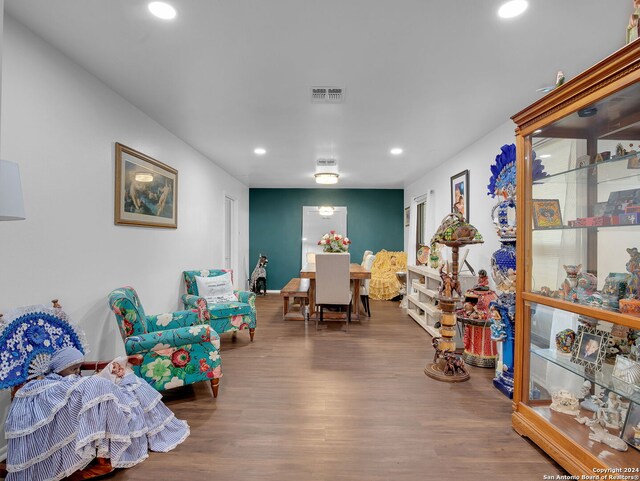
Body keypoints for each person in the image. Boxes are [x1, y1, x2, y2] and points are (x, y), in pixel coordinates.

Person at [5, 346, 189, 481]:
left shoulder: (73, 379)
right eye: (73, 369)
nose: (77, 373)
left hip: (86, 393)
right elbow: (68, 390)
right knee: (99, 385)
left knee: (132, 383)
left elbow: (79, 383)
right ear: (59, 368)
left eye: (78, 368)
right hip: (73, 400)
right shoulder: (51, 384)